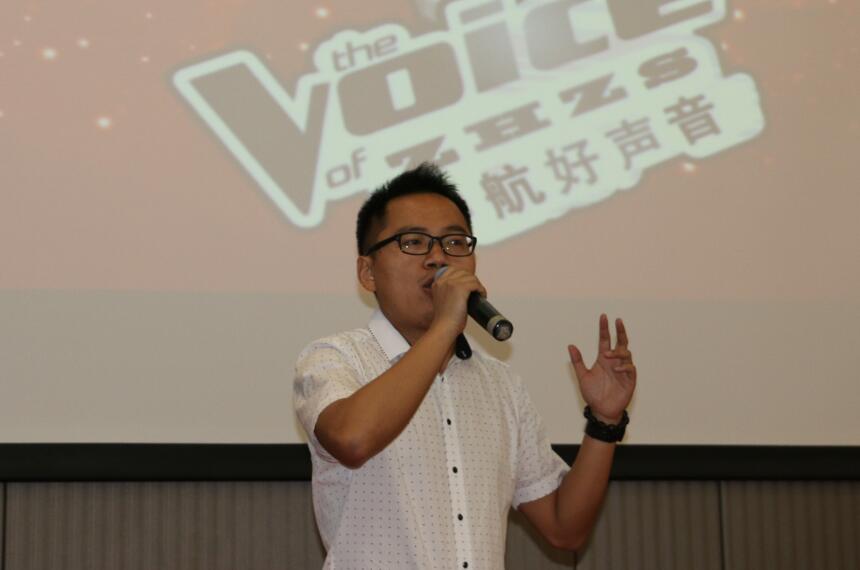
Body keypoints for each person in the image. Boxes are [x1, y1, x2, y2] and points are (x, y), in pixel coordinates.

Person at [294, 163, 637, 568]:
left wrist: (604, 422)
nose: (438, 258)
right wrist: (445, 326)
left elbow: (565, 528)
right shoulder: (335, 358)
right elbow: (352, 440)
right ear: (367, 272)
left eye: (455, 242)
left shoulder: (501, 385)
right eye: (414, 242)